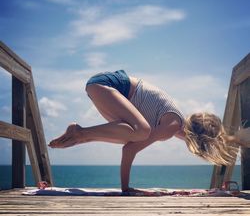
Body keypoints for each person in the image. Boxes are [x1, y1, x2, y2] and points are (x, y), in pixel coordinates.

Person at [49, 70, 248, 192]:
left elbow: (127, 145)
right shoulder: (170, 127)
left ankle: (81, 135)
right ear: (197, 141)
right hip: (108, 84)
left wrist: (235, 139)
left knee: (128, 134)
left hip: (105, 86)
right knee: (141, 131)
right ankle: (80, 132)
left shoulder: (175, 125)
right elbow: (130, 150)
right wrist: (126, 188)